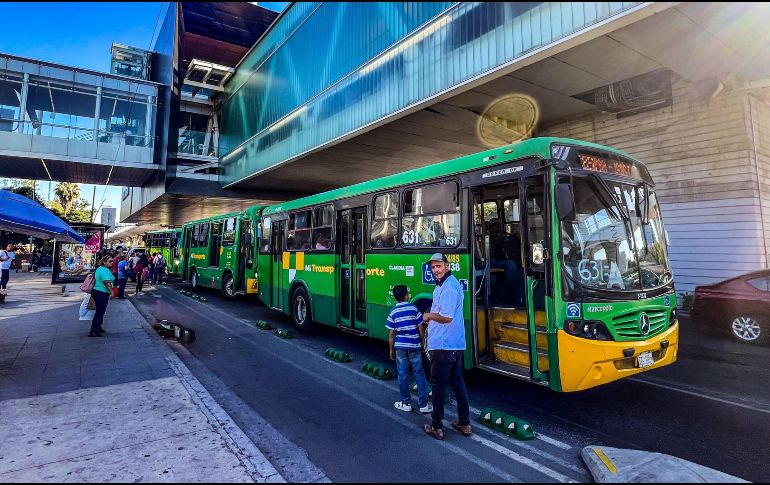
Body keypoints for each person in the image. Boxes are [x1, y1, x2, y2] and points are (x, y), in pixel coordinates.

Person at [422, 253, 472, 441]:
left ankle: (436, 426)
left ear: (447, 265)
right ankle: (464, 423)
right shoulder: (444, 284)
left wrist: (428, 316)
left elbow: (447, 317)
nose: (435, 270)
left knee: (438, 385)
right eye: (433, 267)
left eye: (438, 266)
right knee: (457, 384)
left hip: (444, 344)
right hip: (452, 344)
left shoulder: (449, 287)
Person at [387, 284, 432, 414]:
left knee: (402, 374)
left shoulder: (393, 312)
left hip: (400, 347)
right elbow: (421, 328)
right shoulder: (414, 309)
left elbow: (391, 334)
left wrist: (391, 349)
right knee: (419, 373)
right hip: (414, 346)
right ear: (407, 296)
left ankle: (406, 403)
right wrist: (423, 343)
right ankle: (423, 405)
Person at [89, 255, 115, 337]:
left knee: (101, 311)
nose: (112, 263)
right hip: (101, 292)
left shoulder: (101, 269)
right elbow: (106, 281)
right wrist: (112, 292)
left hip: (99, 291)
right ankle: (94, 331)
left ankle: (98, 327)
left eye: (112, 261)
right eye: (110, 261)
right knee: (99, 312)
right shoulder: (104, 270)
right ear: (104, 262)